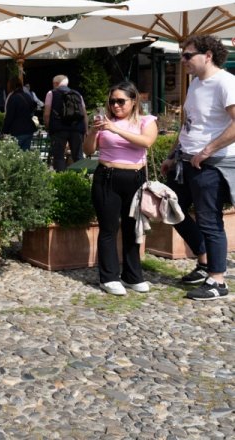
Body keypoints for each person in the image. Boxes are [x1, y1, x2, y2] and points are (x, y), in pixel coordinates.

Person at [161, 35, 234, 301]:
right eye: (182, 54)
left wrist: (208, 150)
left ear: (208, 55)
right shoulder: (195, 84)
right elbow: (189, 124)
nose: (183, 60)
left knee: (209, 220)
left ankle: (217, 280)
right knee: (170, 205)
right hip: (187, 160)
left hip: (211, 164)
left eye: (187, 55)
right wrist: (172, 155)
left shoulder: (225, 82)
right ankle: (203, 260)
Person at [84, 81, 158, 296]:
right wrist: (92, 131)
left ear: (133, 101)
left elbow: (146, 142)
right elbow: (88, 150)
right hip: (107, 176)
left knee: (132, 228)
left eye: (120, 101)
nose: (116, 106)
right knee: (108, 228)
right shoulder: (104, 122)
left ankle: (133, 275)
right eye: (112, 101)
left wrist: (115, 129)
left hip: (135, 177)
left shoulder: (146, 120)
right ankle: (108, 277)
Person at [44, 75, 87, 171]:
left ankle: (61, 180)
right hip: (77, 129)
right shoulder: (77, 94)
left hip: (59, 129)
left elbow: (47, 114)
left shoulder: (51, 93)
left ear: (55, 83)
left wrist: (48, 127)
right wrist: (85, 130)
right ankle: (82, 179)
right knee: (78, 156)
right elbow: (84, 114)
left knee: (58, 156)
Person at [1, 78, 38, 150]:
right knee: (24, 156)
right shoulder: (27, 96)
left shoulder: (13, 97)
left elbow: (9, 116)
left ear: (10, 85)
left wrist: (4, 131)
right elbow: (33, 109)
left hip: (17, 131)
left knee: (14, 155)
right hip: (29, 129)